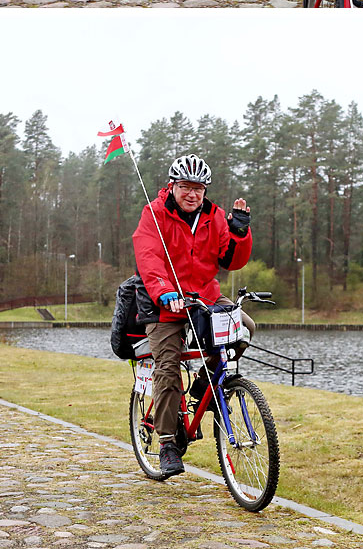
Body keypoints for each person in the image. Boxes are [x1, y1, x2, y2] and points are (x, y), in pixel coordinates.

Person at [133, 153, 253, 480]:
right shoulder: (153, 213)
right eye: (186, 186)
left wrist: (239, 231)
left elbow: (231, 260)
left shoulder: (214, 217)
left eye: (198, 188)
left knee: (244, 329)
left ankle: (204, 388)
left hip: (204, 295)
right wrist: (164, 290)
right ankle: (168, 442)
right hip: (164, 302)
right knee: (168, 366)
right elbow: (148, 256)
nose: (192, 194)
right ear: (172, 186)